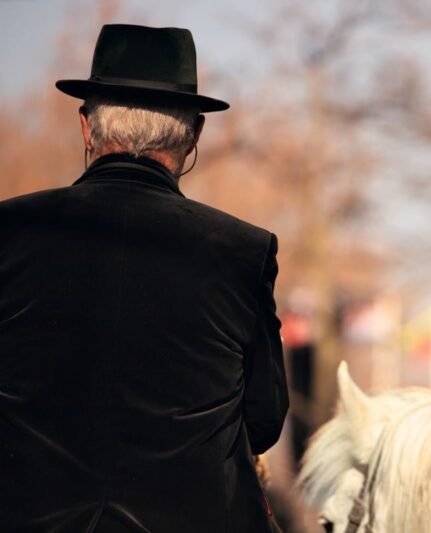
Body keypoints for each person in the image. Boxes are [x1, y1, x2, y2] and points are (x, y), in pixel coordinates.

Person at [0, 24, 288, 532]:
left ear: (87, 129)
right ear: (194, 134)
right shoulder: (241, 252)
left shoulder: (10, 231)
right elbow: (264, 419)